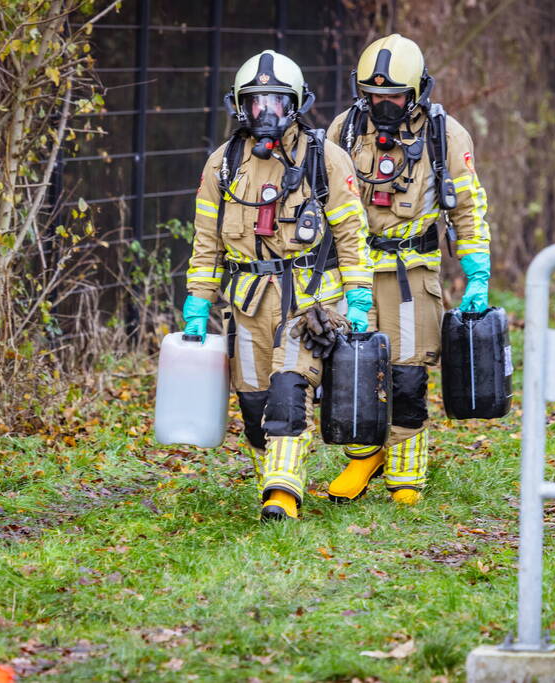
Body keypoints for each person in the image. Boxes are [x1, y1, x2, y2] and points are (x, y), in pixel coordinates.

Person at [183, 50, 374, 521]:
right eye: (255, 101)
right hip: (246, 306)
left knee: (289, 390)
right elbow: (206, 241)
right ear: (239, 106)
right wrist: (197, 299)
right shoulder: (223, 165)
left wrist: (359, 293)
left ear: (296, 103)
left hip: (310, 304)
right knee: (253, 407)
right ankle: (274, 473)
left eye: (276, 100)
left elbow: (351, 232)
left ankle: (282, 496)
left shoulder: (325, 158)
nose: (265, 111)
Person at [325, 34, 491, 505]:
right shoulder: (345, 129)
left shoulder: (445, 136)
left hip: (411, 270)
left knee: (407, 374)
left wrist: (476, 270)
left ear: (417, 90)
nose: (382, 104)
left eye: (393, 96)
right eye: (373, 95)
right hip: (354, 269)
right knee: (352, 367)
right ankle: (364, 456)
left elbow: (468, 207)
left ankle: (405, 472)